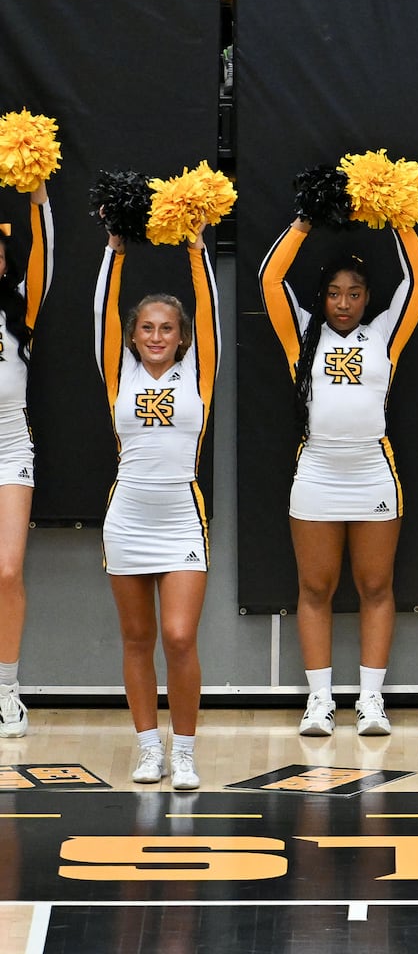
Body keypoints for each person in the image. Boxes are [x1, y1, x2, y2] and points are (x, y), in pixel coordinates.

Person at [259, 215, 418, 736]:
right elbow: (270, 279)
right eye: (333, 293)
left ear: (367, 298)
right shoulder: (303, 332)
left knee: (376, 585)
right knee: (315, 587)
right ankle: (320, 701)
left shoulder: (384, 334)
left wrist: (400, 217)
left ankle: (371, 700)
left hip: (373, 471)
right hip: (317, 470)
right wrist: (304, 223)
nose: (343, 302)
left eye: (354, 293)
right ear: (322, 296)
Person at [95, 222, 220, 790]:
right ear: (132, 334)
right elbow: (102, 311)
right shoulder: (117, 371)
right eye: (146, 327)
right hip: (127, 519)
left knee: (178, 637)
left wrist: (197, 250)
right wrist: (113, 253)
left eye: (166, 328)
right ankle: (149, 748)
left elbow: (211, 311)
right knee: (138, 639)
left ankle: (186, 751)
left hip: (180, 518)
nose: (155, 336)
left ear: (181, 337)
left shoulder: (199, 373)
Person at [0, 181, 53, 738]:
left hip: (11, 447)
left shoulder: (20, 311)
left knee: (8, 570)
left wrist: (39, 200)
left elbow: (46, 258)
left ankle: (7, 690)